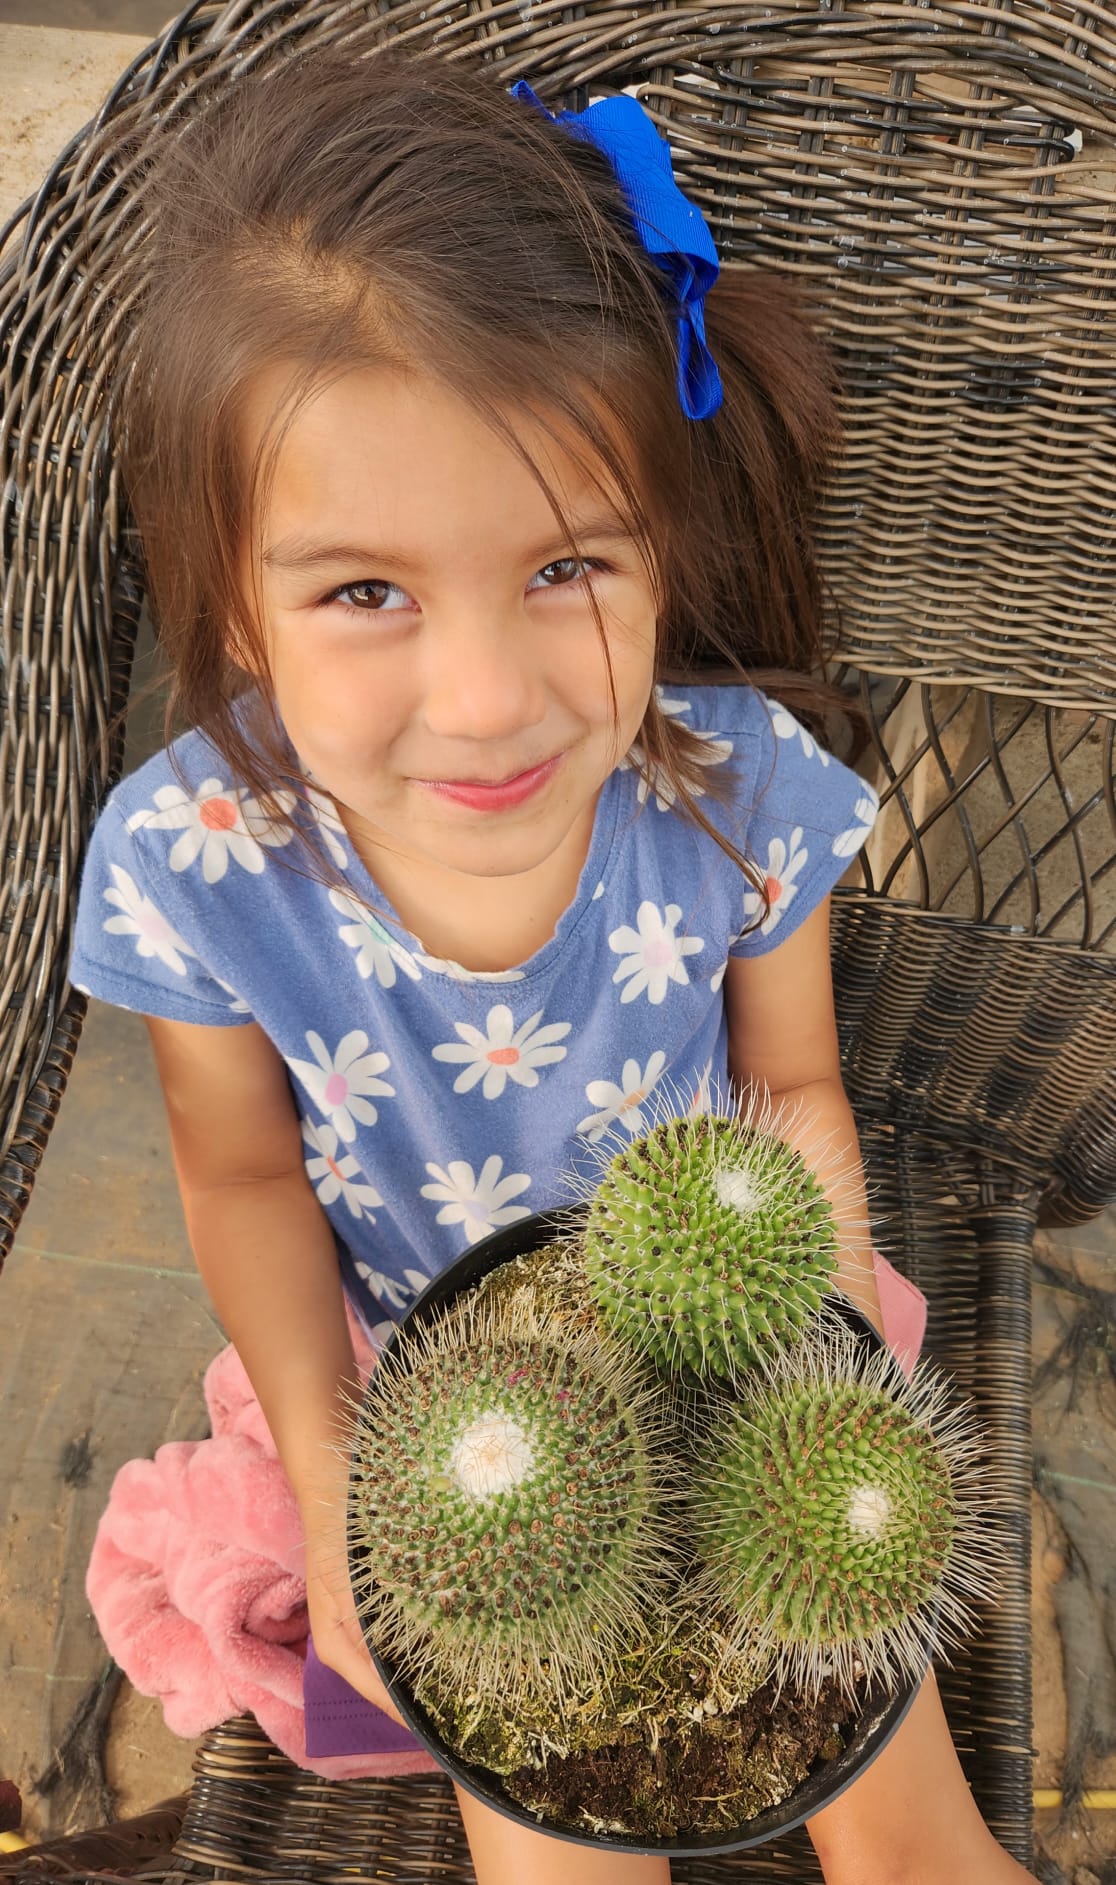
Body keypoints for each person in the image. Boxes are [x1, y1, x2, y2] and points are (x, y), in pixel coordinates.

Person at [69, 44, 1036, 1885]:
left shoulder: (743, 799)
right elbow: (245, 1169)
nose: (491, 699)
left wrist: (808, 1350)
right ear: (225, 602)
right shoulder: (200, 870)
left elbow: (797, 1087)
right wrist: (340, 1475)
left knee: (909, 1820)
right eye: (366, 591)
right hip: (426, 1392)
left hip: (732, 1308)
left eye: (565, 567)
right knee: (564, 1846)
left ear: (658, 547)